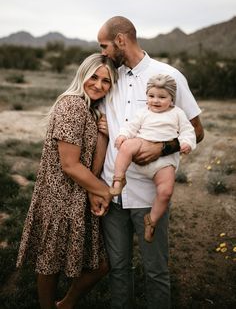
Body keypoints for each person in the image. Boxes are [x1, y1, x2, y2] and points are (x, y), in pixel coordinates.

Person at [94, 16, 204, 309]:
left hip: (149, 194)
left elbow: (197, 131)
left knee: (156, 272)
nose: (102, 52)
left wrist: (160, 148)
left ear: (120, 41)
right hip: (113, 193)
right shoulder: (109, 78)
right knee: (118, 270)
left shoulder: (168, 76)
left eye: (104, 45)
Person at [16, 53, 118, 309]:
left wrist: (104, 136)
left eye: (106, 81)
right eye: (94, 77)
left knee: (99, 263)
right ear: (82, 74)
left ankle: (66, 304)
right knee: (50, 262)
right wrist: (105, 192)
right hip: (58, 196)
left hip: (78, 194)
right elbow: (70, 165)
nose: (98, 85)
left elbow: (90, 170)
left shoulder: (91, 110)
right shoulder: (72, 105)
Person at [109, 73, 196, 243]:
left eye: (162, 97)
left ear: (172, 98)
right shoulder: (143, 113)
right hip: (142, 145)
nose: (155, 100)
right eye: (151, 96)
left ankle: (152, 220)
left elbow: (188, 131)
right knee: (126, 146)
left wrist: (186, 143)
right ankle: (119, 179)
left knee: (166, 192)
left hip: (164, 162)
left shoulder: (177, 113)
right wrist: (123, 135)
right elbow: (130, 126)